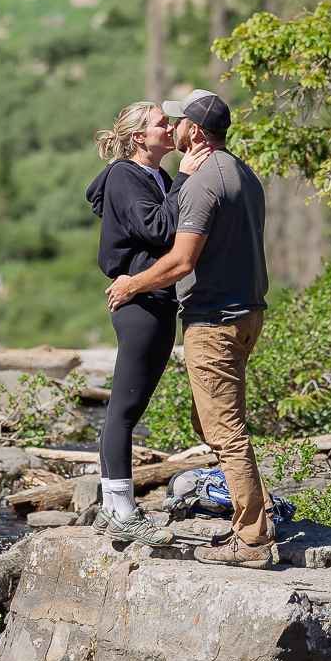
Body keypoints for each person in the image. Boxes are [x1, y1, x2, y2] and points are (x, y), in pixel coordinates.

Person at [103, 89, 274, 568]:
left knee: (225, 430)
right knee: (210, 421)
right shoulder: (245, 173)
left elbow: (179, 259)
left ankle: (254, 539)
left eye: (177, 121)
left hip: (214, 319)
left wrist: (132, 285)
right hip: (247, 312)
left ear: (195, 131)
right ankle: (250, 511)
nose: (173, 127)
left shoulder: (199, 183)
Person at [86, 101, 209, 547]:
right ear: (140, 137)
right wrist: (187, 179)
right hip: (141, 301)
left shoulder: (152, 176)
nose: (172, 128)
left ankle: (108, 508)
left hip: (154, 298)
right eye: (163, 123)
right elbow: (159, 229)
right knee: (124, 411)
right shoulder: (126, 175)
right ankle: (122, 511)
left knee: (126, 409)